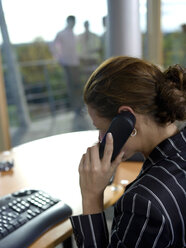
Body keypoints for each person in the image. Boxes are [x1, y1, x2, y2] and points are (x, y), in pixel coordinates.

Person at [70, 56, 186, 247]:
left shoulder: (143, 203)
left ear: (126, 119)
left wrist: (91, 197)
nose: (100, 139)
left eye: (101, 128)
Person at [52, 15, 83, 115]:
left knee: (78, 86)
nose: (73, 24)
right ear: (68, 21)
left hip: (76, 63)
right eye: (72, 22)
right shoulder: (61, 34)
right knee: (72, 88)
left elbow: (77, 49)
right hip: (67, 64)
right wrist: (59, 58)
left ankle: (80, 107)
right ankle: (76, 108)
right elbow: (53, 46)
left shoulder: (75, 35)